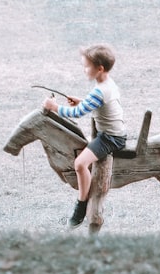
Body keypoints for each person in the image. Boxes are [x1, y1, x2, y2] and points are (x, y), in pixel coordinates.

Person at [43, 44, 127, 227]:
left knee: (79, 163)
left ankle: (81, 205)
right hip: (115, 133)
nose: (84, 70)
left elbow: (77, 113)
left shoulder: (99, 91)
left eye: (86, 66)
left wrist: (54, 107)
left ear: (100, 68)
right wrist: (82, 101)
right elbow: (96, 104)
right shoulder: (107, 84)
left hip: (110, 138)